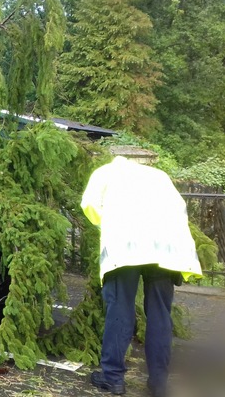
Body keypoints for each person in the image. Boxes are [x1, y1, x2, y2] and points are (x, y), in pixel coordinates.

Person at [81, 156, 203, 397]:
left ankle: (113, 377)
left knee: (120, 309)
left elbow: (91, 206)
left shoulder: (105, 172)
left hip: (126, 247)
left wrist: (107, 227)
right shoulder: (159, 177)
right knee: (160, 313)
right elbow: (179, 208)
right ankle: (159, 384)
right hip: (167, 248)